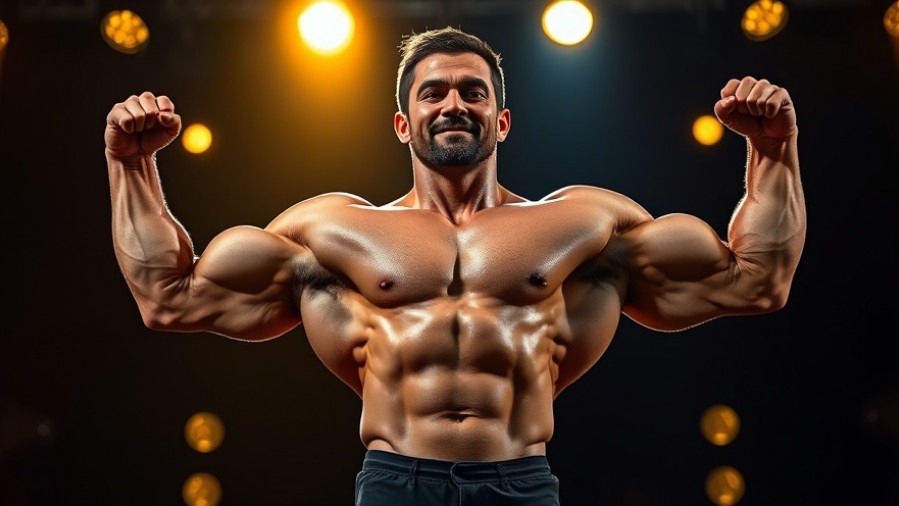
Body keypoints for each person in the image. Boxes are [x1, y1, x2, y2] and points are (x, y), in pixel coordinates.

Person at [104, 26, 805, 506]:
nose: (453, 103)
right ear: (403, 124)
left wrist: (772, 150)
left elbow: (755, 281)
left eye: (473, 92)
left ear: (500, 122)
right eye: (433, 92)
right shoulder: (331, 230)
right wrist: (130, 164)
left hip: (521, 481)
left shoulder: (584, 224)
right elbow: (169, 298)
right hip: (394, 482)